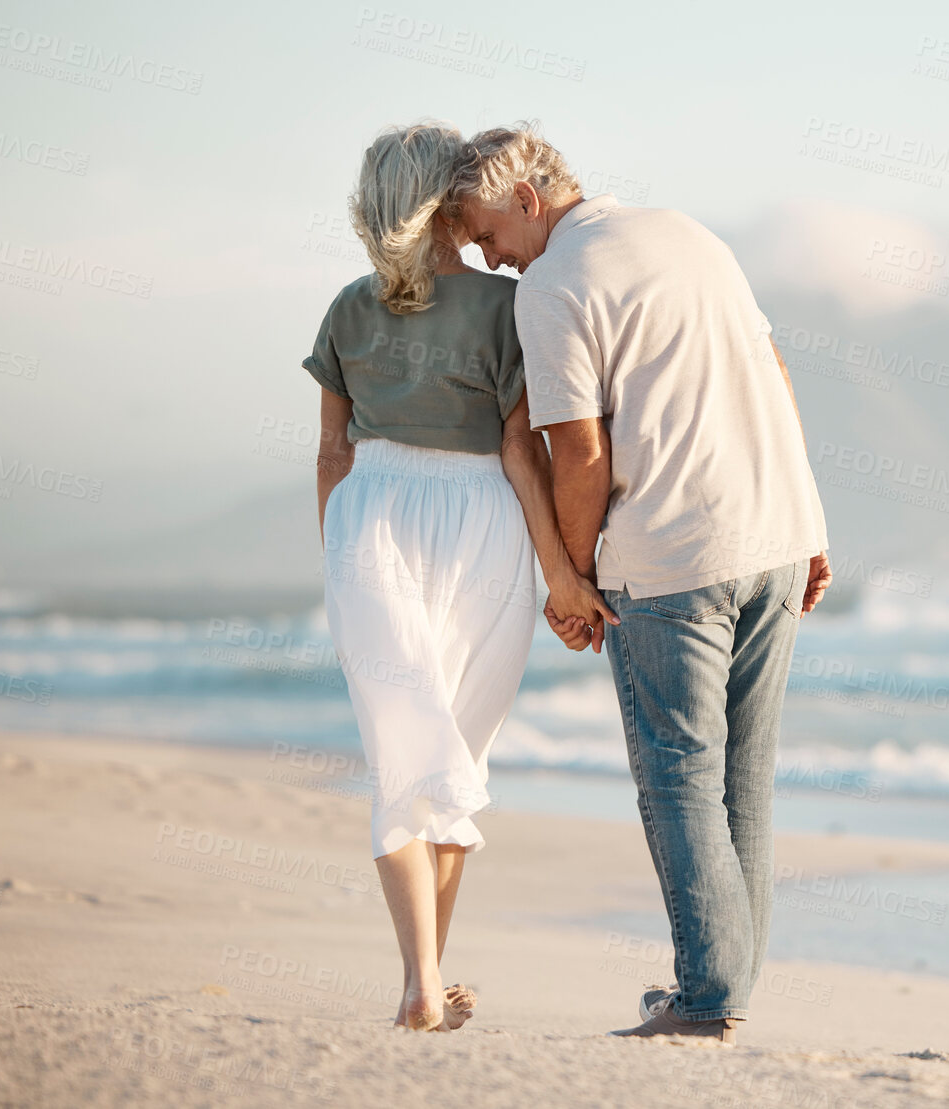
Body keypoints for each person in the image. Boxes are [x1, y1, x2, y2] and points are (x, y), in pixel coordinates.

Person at [447, 122, 832, 1045]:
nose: (488, 258)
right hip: (774, 535)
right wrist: (809, 520)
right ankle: (722, 990)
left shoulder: (551, 285)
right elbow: (771, 374)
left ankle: (704, 999)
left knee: (678, 778)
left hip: (670, 558)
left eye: (483, 233)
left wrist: (570, 578)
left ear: (524, 199)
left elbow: (577, 449)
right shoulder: (689, 233)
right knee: (745, 780)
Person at [305, 123, 615, 1032]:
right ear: (450, 199)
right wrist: (561, 572)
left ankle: (423, 980)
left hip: (371, 521)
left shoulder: (347, 308)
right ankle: (422, 983)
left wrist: (339, 565)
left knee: (410, 757)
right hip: (484, 522)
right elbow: (524, 453)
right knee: (453, 761)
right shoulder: (506, 306)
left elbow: (331, 453)